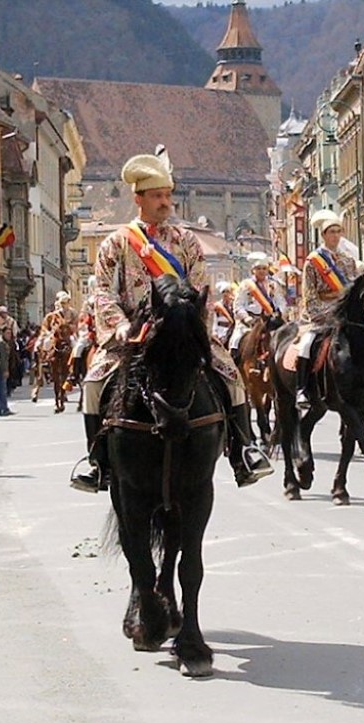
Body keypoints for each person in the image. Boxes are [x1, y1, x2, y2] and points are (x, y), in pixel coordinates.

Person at [70, 151, 271, 492]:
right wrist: (119, 324)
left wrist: (190, 324)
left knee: (232, 375)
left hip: (180, 331)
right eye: (157, 196)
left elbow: (199, 288)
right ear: (139, 199)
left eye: (167, 195)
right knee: (92, 383)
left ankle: (243, 450)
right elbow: (102, 291)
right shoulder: (116, 243)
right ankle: (96, 462)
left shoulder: (186, 241)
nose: (165, 202)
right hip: (132, 335)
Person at [294, 210, 364, 410]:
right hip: (321, 315)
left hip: (345, 315)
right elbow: (309, 294)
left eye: (338, 231)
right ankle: (302, 389)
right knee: (307, 344)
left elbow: (354, 292)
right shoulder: (312, 261)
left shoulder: (348, 261)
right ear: (324, 235)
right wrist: (326, 315)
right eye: (331, 232)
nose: (335, 235)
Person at [229, 254, 281, 363]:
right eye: (258, 269)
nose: (261, 271)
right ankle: (235, 369)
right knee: (235, 342)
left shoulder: (273, 285)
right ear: (253, 270)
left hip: (269, 322)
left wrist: (280, 312)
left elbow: (281, 303)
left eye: (264, 268)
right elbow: (238, 306)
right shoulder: (246, 285)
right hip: (249, 322)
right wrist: (247, 318)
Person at [211, 281, 235, 347]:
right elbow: (214, 320)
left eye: (227, 292)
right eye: (224, 292)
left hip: (232, 331)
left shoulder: (234, 305)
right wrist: (214, 333)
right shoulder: (218, 305)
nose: (225, 294)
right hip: (220, 331)